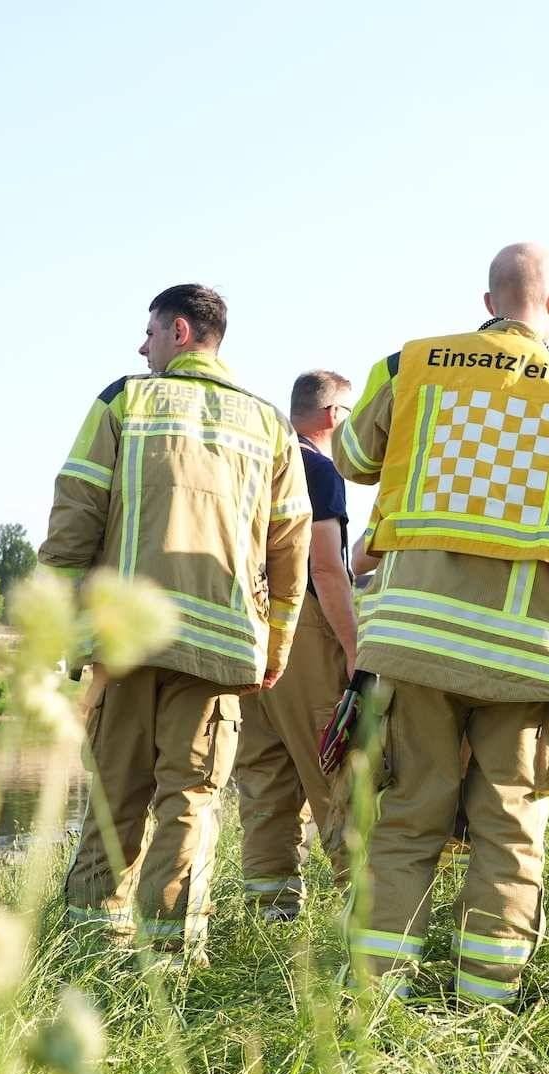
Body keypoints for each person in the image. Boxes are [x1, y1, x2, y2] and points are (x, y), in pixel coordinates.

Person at [332, 242, 549, 1004]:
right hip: (527, 651)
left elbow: (351, 454)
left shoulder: (414, 364)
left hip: (415, 637)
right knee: (510, 827)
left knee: (405, 820)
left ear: (488, 296)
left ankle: (380, 999)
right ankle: (485, 1005)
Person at [40, 284, 311, 956]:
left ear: (181, 331)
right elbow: (290, 547)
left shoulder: (124, 401)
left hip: (124, 643)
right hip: (219, 650)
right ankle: (172, 959)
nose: (143, 346)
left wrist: (67, 631)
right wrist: (274, 646)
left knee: (114, 797)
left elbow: (74, 518)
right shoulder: (271, 424)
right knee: (189, 801)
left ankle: (92, 951)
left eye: (151, 332)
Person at [231, 370, 359, 920]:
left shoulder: (255, 459)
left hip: (245, 627)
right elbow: (327, 567)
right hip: (303, 624)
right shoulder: (318, 468)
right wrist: (356, 650)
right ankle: (365, 906)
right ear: (332, 415)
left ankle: (272, 915)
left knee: (264, 783)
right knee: (334, 770)